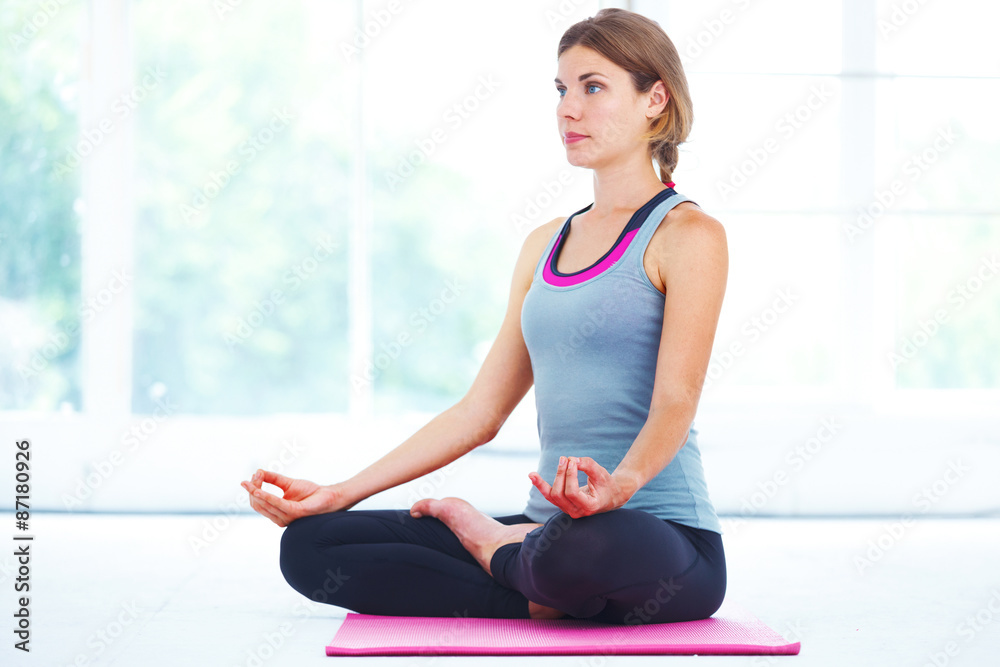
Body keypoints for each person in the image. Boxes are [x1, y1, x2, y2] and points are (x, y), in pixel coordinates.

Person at [240, 8, 729, 625]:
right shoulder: (544, 244)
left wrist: (619, 487)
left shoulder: (689, 235)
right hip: (545, 534)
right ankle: (541, 589)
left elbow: (676, 401)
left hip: (659, 538)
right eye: (560, 89)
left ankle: (491, 544)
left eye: (593, 86)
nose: (567, 109)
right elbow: (479, 413)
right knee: (312, 547)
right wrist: (341, 492)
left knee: (583, 547)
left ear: (654, 99)